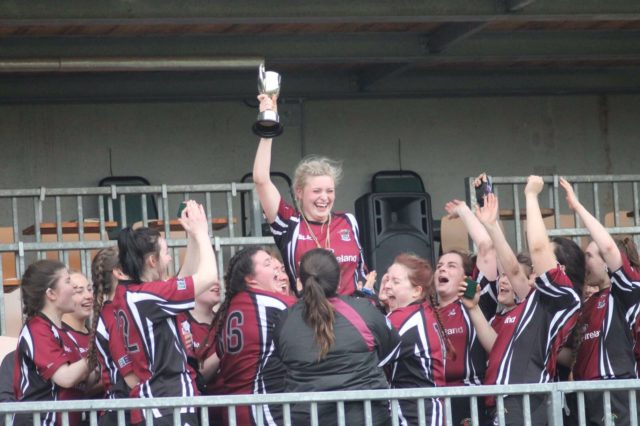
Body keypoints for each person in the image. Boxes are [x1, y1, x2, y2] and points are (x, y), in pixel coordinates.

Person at [482, 176, 583, 426]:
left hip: (525, 396)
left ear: (561, 267)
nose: (537, 263)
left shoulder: (564, 295)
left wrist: (531, 195)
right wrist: (492, 226)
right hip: (509, 398)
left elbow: (537, 248)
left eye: (546, 258)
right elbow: (515, 271)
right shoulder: (538, 296)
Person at [111, 200, 218, 425]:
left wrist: (191, 238)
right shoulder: (148, 297)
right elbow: (208, 277)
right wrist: (202, 234)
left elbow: (180, 282)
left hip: (158, 403)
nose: (169, 259)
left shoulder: (130, 293)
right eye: (167, 253)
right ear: (152, 261)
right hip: (168, 403)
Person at [252, 94, 367, 296]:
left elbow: (362, 272)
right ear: (299, 192)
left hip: (351, 316)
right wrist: (268, 124)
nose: (325, 197)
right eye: (316, 191)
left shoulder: (348, 221)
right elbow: (261, 179)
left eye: (330, 191)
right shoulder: (289, 223)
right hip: (309, 317)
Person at [273, 248, 399, 426]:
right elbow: (392, 349)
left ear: (299, 283)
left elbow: (283, 359)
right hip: (366, 417)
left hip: (308, 418)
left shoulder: (285, 320)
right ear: (339, 281)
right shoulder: (364, 310)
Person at [560, 177, 640, 425]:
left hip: (615, 390)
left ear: (607, 261)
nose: (585, 263)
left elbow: (607, 246)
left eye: (589, 256)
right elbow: (574, 353)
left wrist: (577, 208)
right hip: (586, 394)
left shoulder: (626, 291)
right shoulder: (588, 303)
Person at [212, 246, 297, 426]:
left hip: (235, 410)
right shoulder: (271, 302)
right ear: (250, 279)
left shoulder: (226, 311)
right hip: (262, 408)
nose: (275, 268)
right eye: (268, 264)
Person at [433, 194, 499, 425]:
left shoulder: (474, 303)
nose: (442, 269)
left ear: (466, 276)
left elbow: (487, 248)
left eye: (451, 266)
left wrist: (463, 211)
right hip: (432, 400)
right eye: (439, 266)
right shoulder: (424, 313)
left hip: (470, 399)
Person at [13, 260, 90, 426]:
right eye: (68, 281)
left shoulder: (62, 332)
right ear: (51, 294)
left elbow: (83, 381)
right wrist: (95, 351)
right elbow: (66, 378)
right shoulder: (37, 329)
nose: (74, 287)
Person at [384, 253, 447, 426]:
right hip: (425, 412)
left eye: (395, 282)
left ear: (416, 291)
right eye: (387, 279)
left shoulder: (404, 318)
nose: (387, 286)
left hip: (417, 415)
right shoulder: (422, 312)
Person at [85, 246, 140, 425]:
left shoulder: (121, 309)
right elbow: (130, 377)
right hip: (120, 411)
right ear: (120, 272)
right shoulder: (112, 314)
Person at [60, 270, 99, 425]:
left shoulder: (96, 336)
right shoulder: (57, 335)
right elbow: (76, 385)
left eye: (89, 289)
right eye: (79, 291)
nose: (88, 296)